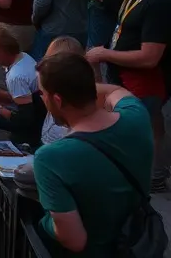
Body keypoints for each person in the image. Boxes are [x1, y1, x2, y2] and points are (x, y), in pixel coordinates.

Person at [33, 52, 155, 254]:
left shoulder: (50, 158)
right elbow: (115, 91)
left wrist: (44, 221)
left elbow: (74, 241)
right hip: (138, 243)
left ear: (58, 99)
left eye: (42, 93)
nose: (42, 99)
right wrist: (81, 87)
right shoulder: (137, 115)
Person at [84, 0, 171, 191]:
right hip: (124, 76)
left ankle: (146, 180)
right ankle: (149, 175)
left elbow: (149, 57)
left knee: (138, 132)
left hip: (145, 82)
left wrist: (104, 54)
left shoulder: (159, 0)